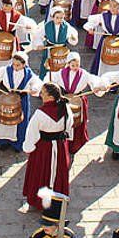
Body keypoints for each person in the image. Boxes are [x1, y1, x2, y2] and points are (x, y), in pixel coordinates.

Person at [21, 82, 74, 213]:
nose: (41, 95)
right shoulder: (66, 108)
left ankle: (39, 200)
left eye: (43, 93)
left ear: (50, 96)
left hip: (43, 149)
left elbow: (31, 133)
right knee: (59, 171)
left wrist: (28, 148)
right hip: (60, 147)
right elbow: (70, 126)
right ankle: (58, 197)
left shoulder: (40, 113)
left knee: (41, 172)